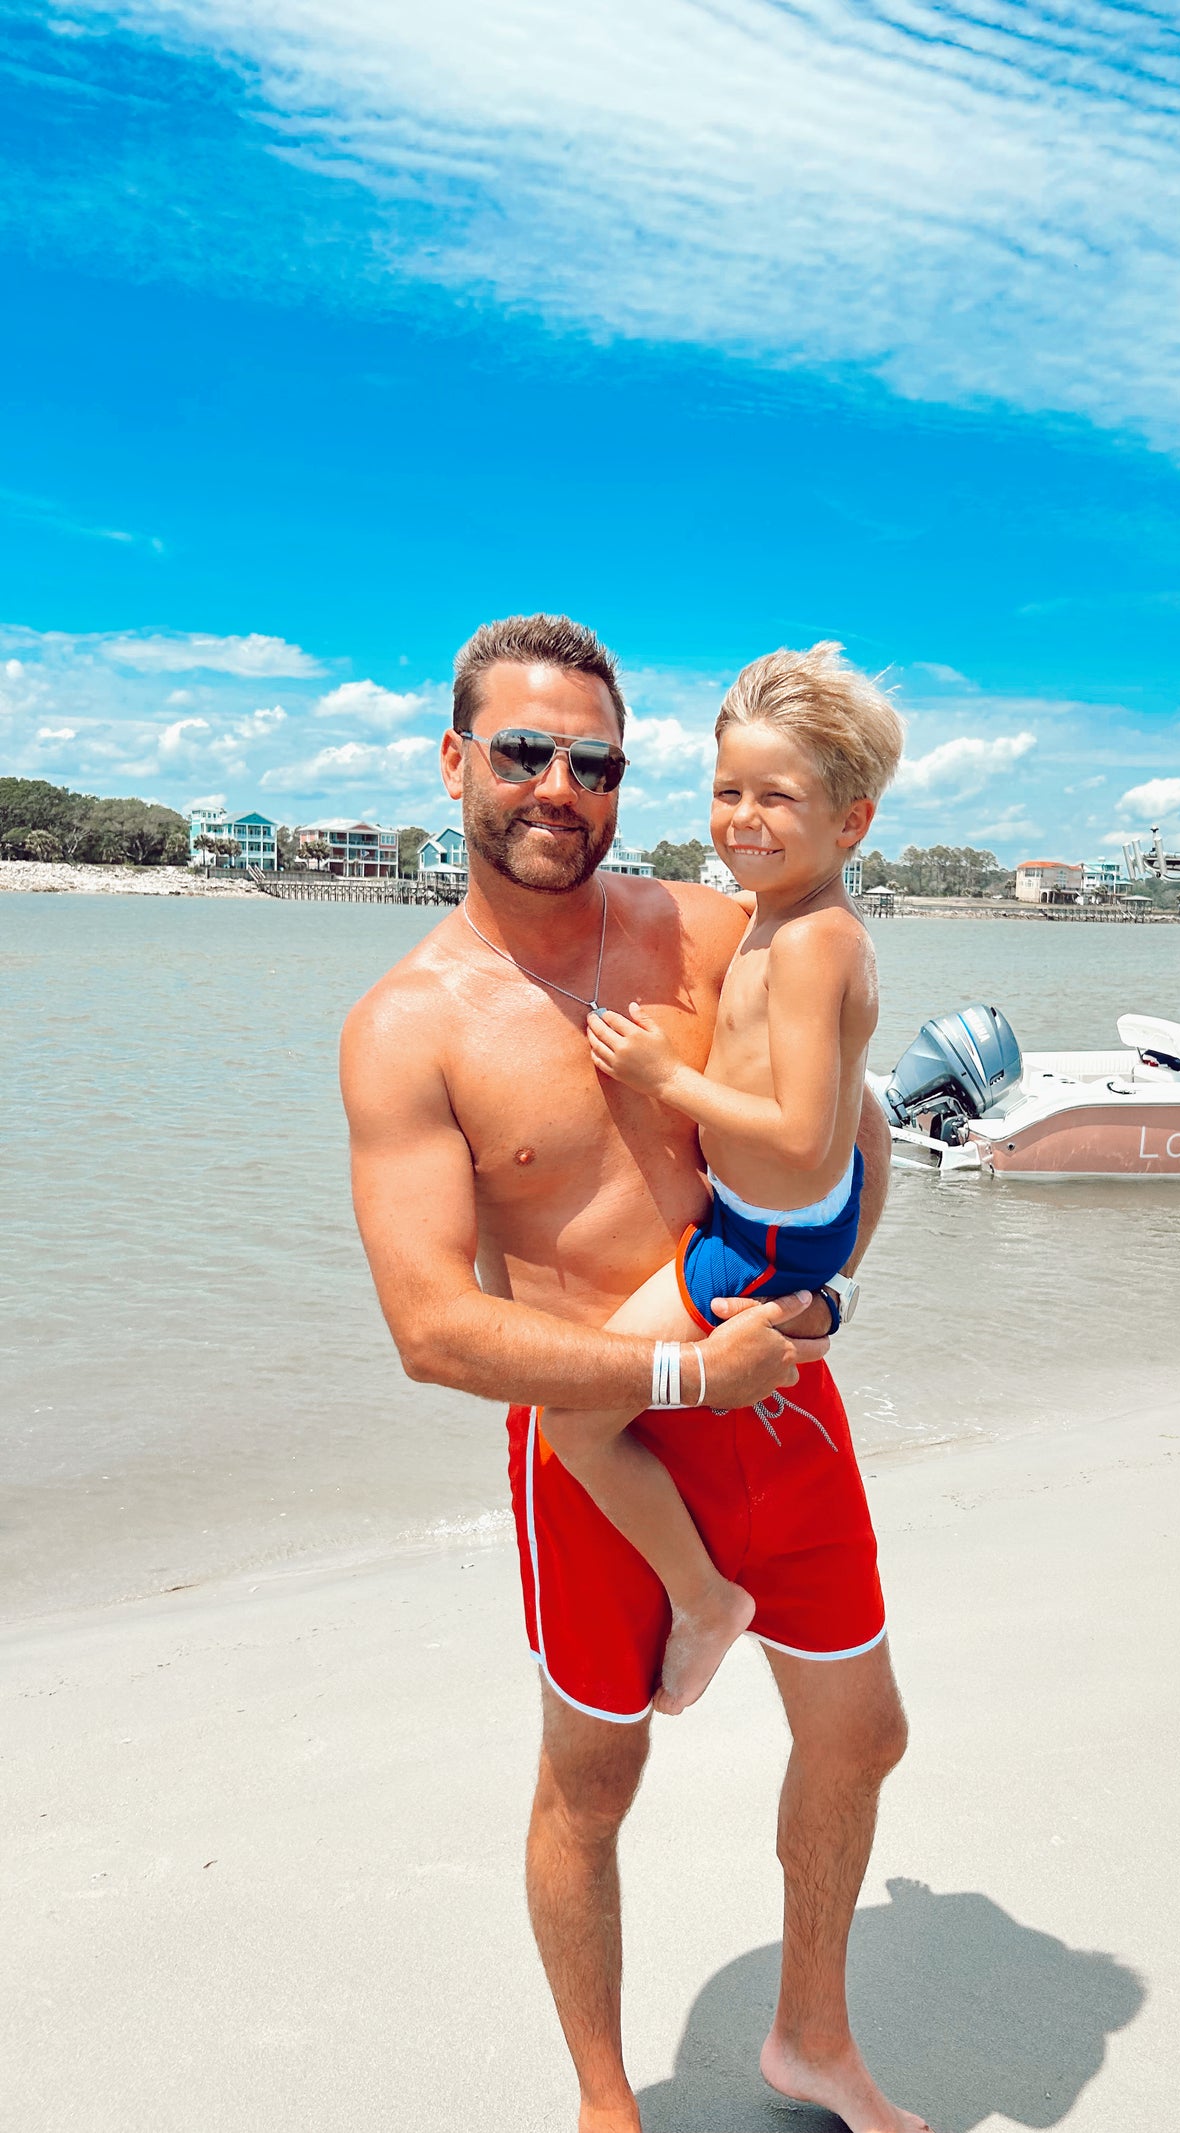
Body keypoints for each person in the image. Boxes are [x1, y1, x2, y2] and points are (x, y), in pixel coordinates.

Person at [340, 614, 928, 2133]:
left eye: (591, 760)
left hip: (775, 1388)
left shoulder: (712, 931)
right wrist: (680, 1373)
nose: (557, 786)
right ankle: (611, 2104)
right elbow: (433, 1330)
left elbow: (847, 1120)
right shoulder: (412, 1026)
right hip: (604, 1445)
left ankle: (812, 2037)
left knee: (862, 1735)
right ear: (457, 760)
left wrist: (827, 1291)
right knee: (591, 1789)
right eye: (523, 751)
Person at [535, 641, 903, 1719]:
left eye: (776, 797)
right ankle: (703, 1588)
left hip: (758, 1239)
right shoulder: (781, 922)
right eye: (725, 790)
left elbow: (797, 1137)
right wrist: (839, 1270)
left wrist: (664, 1080)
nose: (742, 817)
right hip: (792, 1232)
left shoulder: (809, 946)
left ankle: (703, 1597)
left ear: (852, 823)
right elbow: (858, 1123)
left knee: (571, 1418)